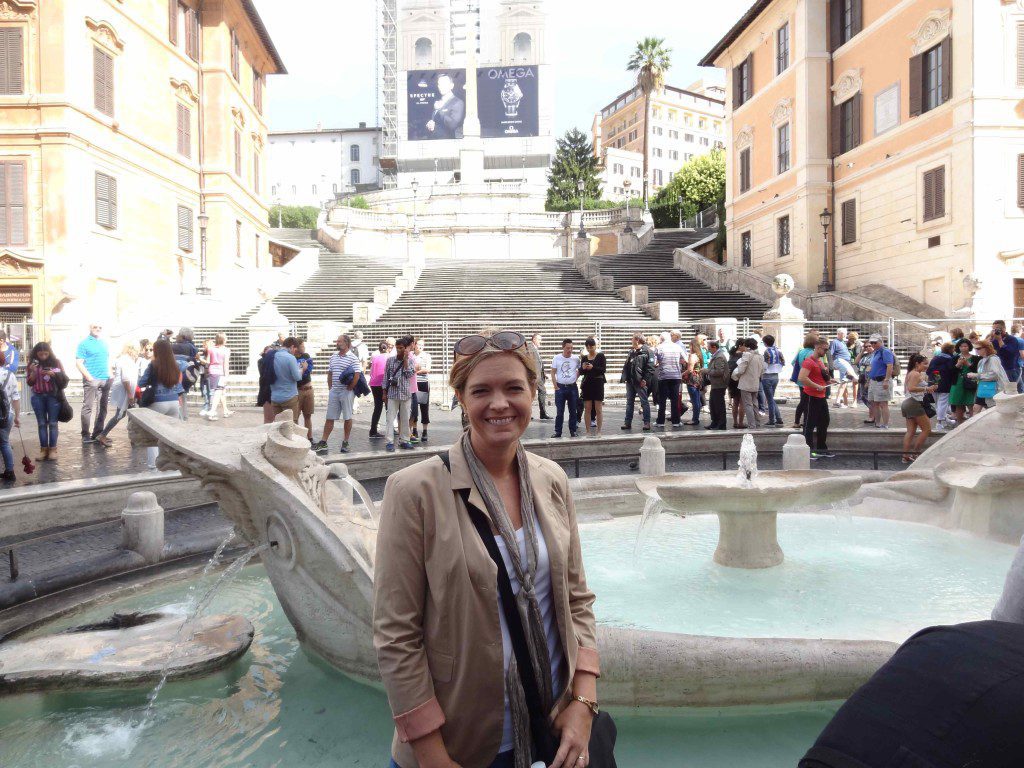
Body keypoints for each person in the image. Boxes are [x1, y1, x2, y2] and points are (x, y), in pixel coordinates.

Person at [373, 329, 601, 768]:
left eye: (514, 388)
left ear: (534, 392)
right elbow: (396, 634)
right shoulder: (414, 490)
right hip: (458, 743)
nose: (499, 404)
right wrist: (432, 754)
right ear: (460, 398)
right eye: (481, 391)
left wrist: (584, 702)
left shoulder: (551, 479)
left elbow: (577, 599)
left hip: (551, 727)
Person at [138, 339, 184, 471]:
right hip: (174, 402)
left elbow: (141, 382)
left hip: (157, 401)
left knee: (153, 435)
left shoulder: (153, 364)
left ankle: (153, 466)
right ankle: (171, 464)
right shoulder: (175, 365)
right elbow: (179, 386)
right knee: (170, 435)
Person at [320, 334, 361, 454]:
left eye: (339, 341)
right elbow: (330, 372)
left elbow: (357, 374)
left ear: (346, 343)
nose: (337, 343)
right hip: (334, 391)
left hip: (346, 392)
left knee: (347, 417)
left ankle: (346, 441)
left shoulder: (353, 358)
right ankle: (323, 441)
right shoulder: (333, 356)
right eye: (337, 341)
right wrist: (330, 388)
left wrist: (350, 387)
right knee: (329, 417)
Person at [26, 342, 66, 460]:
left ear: (49, 353)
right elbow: (29, 383)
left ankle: (53, 449)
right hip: (37, 396)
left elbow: (64, 378)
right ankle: (43, 450)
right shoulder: (32, 364)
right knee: (42, 424)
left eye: (45, 354)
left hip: (53, 396)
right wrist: (33, 372)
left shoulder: (56, 362)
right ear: (36, 353)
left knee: (53, 423)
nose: (43, 356)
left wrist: (53, 374)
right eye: (40, 354)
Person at [798, 338, 836, 459]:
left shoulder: (819, 361)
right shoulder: (809, 362)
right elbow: (802, 378)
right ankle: (807, 451)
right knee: (809, 424)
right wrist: (816, 386)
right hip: (811, 396)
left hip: (821, 396)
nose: (826, 351)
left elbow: (821, 377)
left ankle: (821, 449)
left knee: (824, 422)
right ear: (818, 348)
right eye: (825, 349)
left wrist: (831, 381)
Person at [96, 342, 139, 448]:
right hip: (125, 391)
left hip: (125, 390)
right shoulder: (126, 360)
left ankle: (133, 438)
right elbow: (125, 378)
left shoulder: (124, 359)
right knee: (120, 414)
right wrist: (130, 394)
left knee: (128, 414)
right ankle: (102, 435)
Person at [76, 322, 111, 443]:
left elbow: (107, 361)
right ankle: (85, 434)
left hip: (105, 379)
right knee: (88, 407)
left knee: (103, 408)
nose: (97, 329)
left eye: (100, 327)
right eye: (95, 327)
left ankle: (98, 433)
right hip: (92, 379)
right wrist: (89, 378)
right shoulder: (84, 344)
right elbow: (79, 363)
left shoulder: (103, 343)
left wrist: (110, 375)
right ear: (90, 328)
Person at [899, 354, 937, 463]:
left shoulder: (912, 373)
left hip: (907, 403)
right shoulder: (915, 374)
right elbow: (911, 388)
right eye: (925, 363)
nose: (927, 366)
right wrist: (926, 388)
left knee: (910, 431)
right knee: (926, 429)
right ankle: (915, 454)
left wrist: (929, 388)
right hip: (913, 403)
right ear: (917, 363)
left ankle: (905, 457)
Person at [383, 335, 417, 452]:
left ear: (406, 348)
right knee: (390, 418)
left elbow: (409, 375)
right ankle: (389, 441)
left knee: (405, 418)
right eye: (397, 348)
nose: (399, 350)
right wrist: (384, 392)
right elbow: (386, 377)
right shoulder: (390, 360)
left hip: (405, 393)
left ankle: (405, 440)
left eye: (401, 348)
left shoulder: (411, 360)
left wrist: (406, 360)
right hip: (392, 393)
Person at [620, 332, 653, 431]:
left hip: (640, 381)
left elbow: (650, 368)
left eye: (632, 338)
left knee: (644, 402)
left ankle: (647, 422)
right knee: (629, 402)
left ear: (637, 340)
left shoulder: (647, 351)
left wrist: (645, 380)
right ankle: (627, 422)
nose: (631, 340)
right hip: (630, 381)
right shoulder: (631, 351)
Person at [654, 332, 686, 429]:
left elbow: (655, 362)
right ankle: (676, 421)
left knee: (662, 400)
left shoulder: (659, 347)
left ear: (661, 339)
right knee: (675, 400)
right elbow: (685, 359)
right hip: (676, 376)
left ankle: (660, 422)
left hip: (664, 376)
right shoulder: (677, 347)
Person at [551, 339, 581, 439]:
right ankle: (558, 431)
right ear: (563, 347)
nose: (570, 350)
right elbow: (553, 372)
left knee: (573, 410)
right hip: (560, 387)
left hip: (572, 387)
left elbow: (579, 370)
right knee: (560, 411)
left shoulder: (576, 358)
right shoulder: (557, 358)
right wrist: (555, 386)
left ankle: (573, 431)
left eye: (572, 348)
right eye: (568, 348)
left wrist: (575, 379)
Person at [733, 337, 766, 429]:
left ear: (747, 346)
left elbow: (741, 369)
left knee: (747, 404)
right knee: (755, 404)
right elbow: (763, 370)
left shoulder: (746, 355)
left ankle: (752, 425)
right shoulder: (760, 356)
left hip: (745, 383)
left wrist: (738, 374)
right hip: (755, 382)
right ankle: (757, 423)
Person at [269, 337, 303, 423]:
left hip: (275, 396)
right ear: (292, 347)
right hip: (289, 396)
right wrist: (302, 369)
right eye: (295, 349)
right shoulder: (290, 358)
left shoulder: (273, 356)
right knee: (291, 425)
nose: (295, 352)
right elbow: (297, 377)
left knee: (278, 426)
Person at [866, 335, 896, 429]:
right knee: (874, 403)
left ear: (881, 342)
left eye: (875, 342)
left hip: (882, 380)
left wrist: (886, 380)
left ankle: (885, 424)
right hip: (873, 381)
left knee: (883, 403)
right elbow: (872, 367)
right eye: (872, 343)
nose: (873, 344)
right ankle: (878, 423)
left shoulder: (885, 351)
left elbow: (889, 366)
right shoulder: (875, 352)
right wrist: (868, 380)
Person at [970, 340, 1010, 411]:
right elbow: (982, 375)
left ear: (986, 348)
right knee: (976, 409)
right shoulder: (981, 361)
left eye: (978, 348)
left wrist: (976, 375)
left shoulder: (993, 359)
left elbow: (994, 374)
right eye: (975, 348)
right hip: (984, 388)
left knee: (992, 411)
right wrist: (974, 377)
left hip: (993, 389)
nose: (976, 350)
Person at [424, 72, 465, 139]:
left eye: (444, 84)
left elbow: (453, 125)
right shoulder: (438, 101)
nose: (441, 87)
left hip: (447, 144)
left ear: (452, 86)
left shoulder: (458, 102)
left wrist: (440, 110)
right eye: (439, 84)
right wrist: (429, 124)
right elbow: (434, 121)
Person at [0, 348, 20, 482]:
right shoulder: (10, 375)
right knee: (4, 443)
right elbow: (16, 398)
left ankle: (10, 472)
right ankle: (9, 471)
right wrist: (17, 417)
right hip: (8, 415)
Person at [171, 328, 200, 421]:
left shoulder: (173, 346)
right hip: (186, 373)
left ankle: (176, 415)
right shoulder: (191, 346)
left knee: (176, 394)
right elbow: (196, 356)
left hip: (174, 372)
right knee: (183, 395)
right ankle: (184, 417)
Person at [579, 338, 606, 438]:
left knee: (598, 408)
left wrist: (592, 367)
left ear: (595, 346)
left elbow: (603, 369)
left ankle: (599, 431)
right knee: (587, 408)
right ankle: (587, 431)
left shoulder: (600, 356)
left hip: (598, 383)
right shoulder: (585, 357)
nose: (590, 348)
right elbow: (582, 372)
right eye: (588, 347)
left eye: (592, 346)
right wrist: (583, 368)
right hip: (587, 384)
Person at [927, 342, 957, 429]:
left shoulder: (935, 358)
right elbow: (951, 371)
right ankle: (939, 423)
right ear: (950, 350)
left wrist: (935, 379)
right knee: (943, 403)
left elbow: (929, 371)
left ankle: (945, 420)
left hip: (933, 382)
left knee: (938, 404)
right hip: (945, 383)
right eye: (953, 349)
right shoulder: (950, 359)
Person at [948, 339, 978, 424]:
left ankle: (973, 423)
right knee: (958, 403)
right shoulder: (954, 358)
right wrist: (958, 364)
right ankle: (960, 423)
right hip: (957, 382)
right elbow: (950, 371)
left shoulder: (975, 358)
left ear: (969, 347)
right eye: (961, 346)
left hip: (970, 382)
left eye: (965, 346)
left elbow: (976, 370)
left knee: (971, 403)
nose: (963, 348)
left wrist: (967, 363)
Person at [790, 334, 817, 430]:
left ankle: (797, 421)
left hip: (800, 381)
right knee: (807, 402)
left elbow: (793, 362)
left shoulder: (801, 351)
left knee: (803, 401)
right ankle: (806, 422)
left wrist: (801, 369)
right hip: (808, 380)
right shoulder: (811, 353)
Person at [205, 332, 233, 422]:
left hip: (212, 371)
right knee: (218, 392)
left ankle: (223, 410)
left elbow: (208, 361)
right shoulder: (226, 350)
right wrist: (227, 376)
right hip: (221, 372)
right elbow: (226, 364)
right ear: (223, 340)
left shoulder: (211, 349)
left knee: (218, 392)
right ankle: (212, 411)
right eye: (226, 338)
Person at [988, 319, 1022, 392]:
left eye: (997, 329)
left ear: (1004, 329)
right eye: (993, 329)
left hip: (1011, 370)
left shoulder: (1012, 339)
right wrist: (990, 338)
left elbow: (1010, 353)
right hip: (999, 369)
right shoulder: (994, 340)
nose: (995, 331)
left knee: (1015, 392)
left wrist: (1000, 340)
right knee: (1002, 392)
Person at [410, 339, 432, 444]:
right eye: (419, 344)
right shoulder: (411, 355)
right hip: (413, 383)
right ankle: (414, 429)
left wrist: (415, 371)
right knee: (413, 407)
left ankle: (425, 431)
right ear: (414, 345)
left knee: (424, 407)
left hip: (423, 383)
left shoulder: (427, 356)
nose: (420, 346)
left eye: (422, 345)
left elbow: (428, 369)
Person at [760, 334, 785, 426]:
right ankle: (778, 418)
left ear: (765, 343)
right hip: (776, 376)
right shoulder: (778, 351)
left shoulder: (766, 352)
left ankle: (771, 420)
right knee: (771, 399)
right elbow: (783, 362)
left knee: (769, 399)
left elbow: (765, 365)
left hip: (767, 377)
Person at [829, 328, 857, 408]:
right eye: (843, 333)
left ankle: (837, 402)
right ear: (838, 334)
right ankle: (853, 378)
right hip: (840, 361)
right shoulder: (835, 342)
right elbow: (831, 354)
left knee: (844, 382)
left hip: (846, 362)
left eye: (845, 333)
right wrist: (833, 365)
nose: (845, 335)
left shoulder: (843, 342)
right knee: (853, 376)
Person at [706, 339, 729, 431]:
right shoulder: (717, 356)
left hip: (719, 384)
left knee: (718, 405)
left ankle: (721, 424)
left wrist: (707, 371)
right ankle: (715, 422)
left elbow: (719, 371)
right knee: (713, 404)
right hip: (716, 384)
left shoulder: (719, 357)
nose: (708, 350)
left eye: (709, 349)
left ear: (714, 347)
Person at [295, 341, 316, 443]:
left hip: (308, 389)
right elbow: (297, 375)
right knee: (295, 416)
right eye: (302, 345)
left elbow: (308, 369)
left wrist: (303, 369)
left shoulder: (306, 355)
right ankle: (297, 438)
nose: (304, 347)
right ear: (296, 347)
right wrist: (302, 369)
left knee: (308, 415)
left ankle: (310, 437)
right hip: (298, 390)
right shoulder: (292, 358)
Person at [528, 333, 551, 420]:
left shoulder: (534, 349)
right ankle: (542, 413)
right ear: (534, 339)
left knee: (533, 394)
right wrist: (534, 374)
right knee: (541, 392)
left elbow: (538, 363)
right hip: (535, 376)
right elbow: (529, 362)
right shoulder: (530, 348)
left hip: (539, 375)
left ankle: (540, 413)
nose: (540, 341)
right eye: (539, 339)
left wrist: (543, 373)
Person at [369, 341, 389, 439]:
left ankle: (373, 430)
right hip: (384, 384)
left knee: (377, 407)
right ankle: (390, 430)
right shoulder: (389, 357)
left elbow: (371, 371)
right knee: (388, 407)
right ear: (388, 348)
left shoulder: (375, 357)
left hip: (374, 383)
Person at [685, 337, 706, 426]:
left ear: (692, 346)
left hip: (692, 379)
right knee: (696, 399)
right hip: (698, 378)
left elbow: (690, 369)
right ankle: (696, 418)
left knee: (694, 400)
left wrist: (681, 374)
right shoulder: (699, 355)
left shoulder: (693, 356)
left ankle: (695, 419)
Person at [727, 341, 746, 429]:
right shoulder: (743, 356)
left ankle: (735, 422)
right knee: (742, 402)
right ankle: (741, 423)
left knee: (735, 402)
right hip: (740, 380)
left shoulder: (732, 355)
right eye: (745, 345)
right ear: (740, 346)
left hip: (732, 381)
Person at [846, 331, 864, 406]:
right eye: (851, 339)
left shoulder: (859, 344)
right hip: (848, 364)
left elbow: (860, 355)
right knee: (844, 382)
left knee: (855, 382)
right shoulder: (847, 344)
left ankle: (855, 400)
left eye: (853, 339)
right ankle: (845, 401)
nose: (852, 341)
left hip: (857, 365)